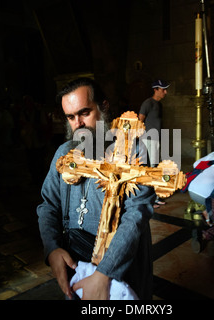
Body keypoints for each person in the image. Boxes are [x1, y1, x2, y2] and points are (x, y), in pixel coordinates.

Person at [37, 77, 155, 300]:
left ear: (103, 107)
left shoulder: (133, 150)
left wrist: (105, 272)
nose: (78, 124)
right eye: (71, 117)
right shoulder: (64, 153)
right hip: (76, 260)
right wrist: (52, 248)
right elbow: (48, 205)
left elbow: (136, 213)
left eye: (84, 113)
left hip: (120, 264)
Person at [139, 79, 170, 208]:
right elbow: (140, 121)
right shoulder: (148, 103)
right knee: (151, 168)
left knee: (157, 167)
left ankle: (156, 197)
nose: (165, 92)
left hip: (156, 139)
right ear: (155, 89)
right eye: (163, 89)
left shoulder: (160, 105)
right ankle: (150, 199)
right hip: (148, 140)